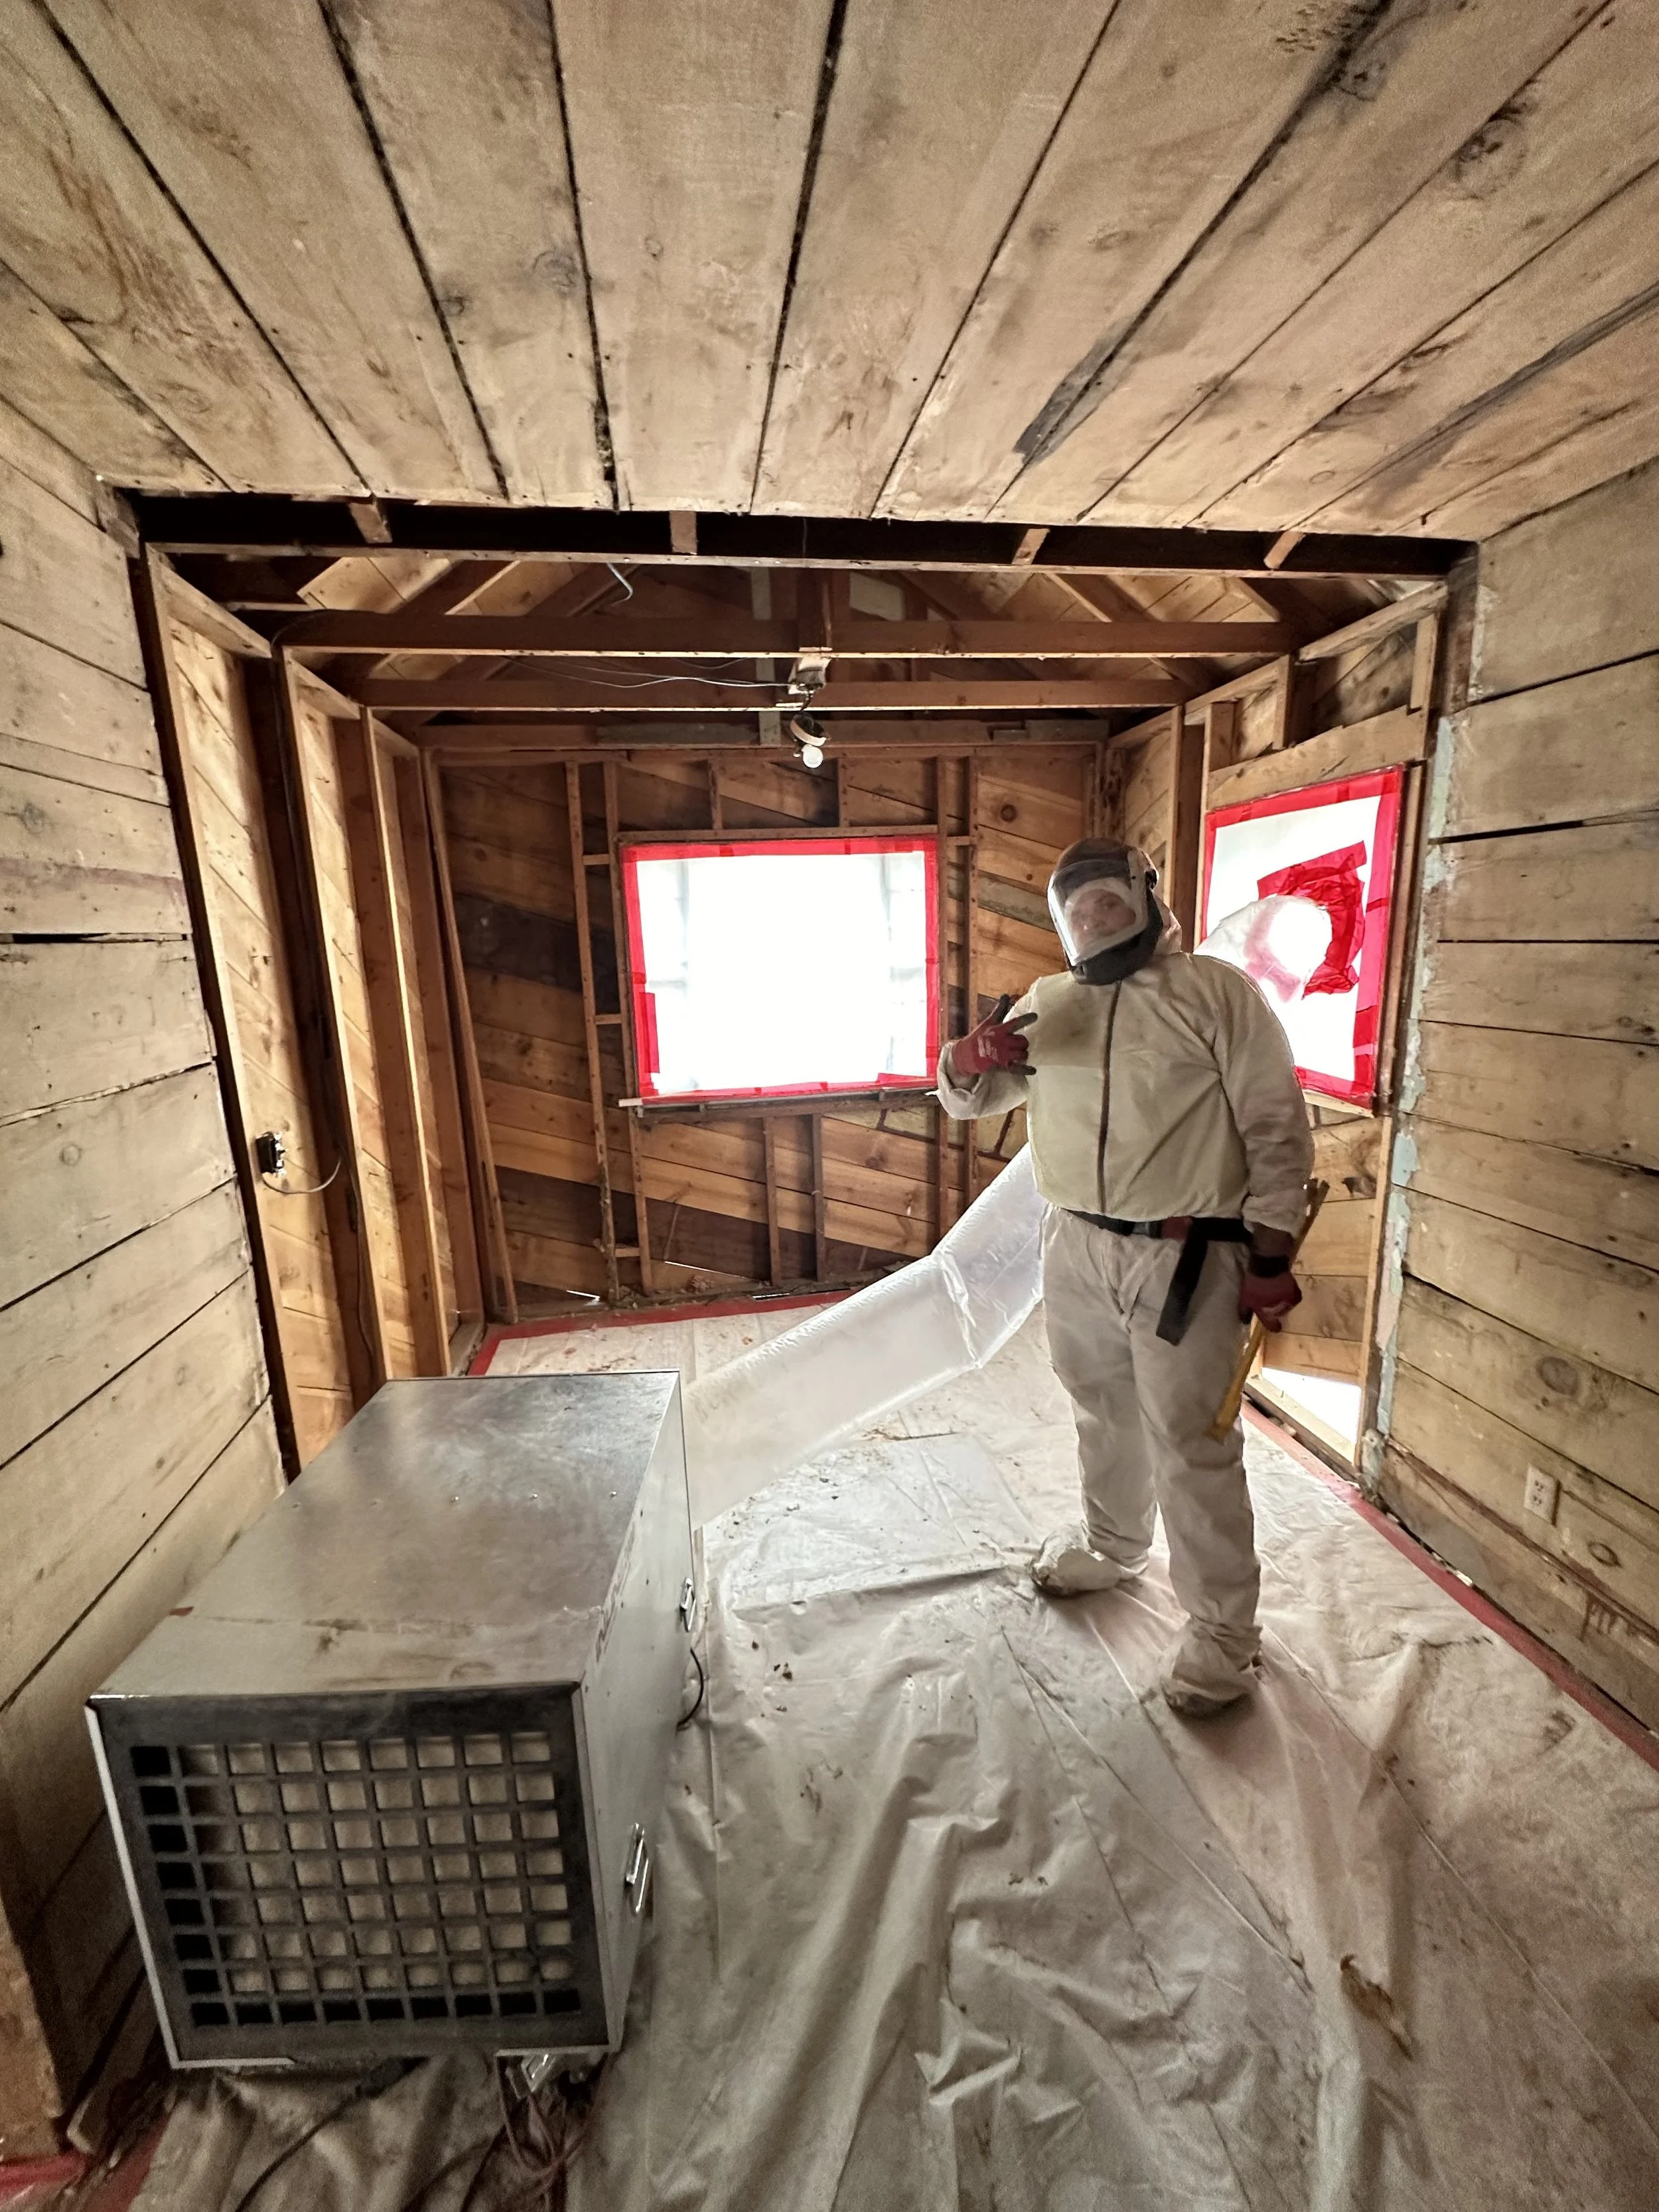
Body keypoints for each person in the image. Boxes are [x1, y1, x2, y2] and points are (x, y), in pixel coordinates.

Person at [936, 838, 1313, 1716]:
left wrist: (1271, 1252)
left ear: (1146, 898)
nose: (1098, 921)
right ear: (1063, 923)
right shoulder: (1051, 1003)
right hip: (1074, 1241)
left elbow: (1274, 1126)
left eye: (1111, 902)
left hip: (1187, 1255)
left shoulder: (1214, 995)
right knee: (1100, 1402)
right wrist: (967, 1057)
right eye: (1081, 911)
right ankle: (1113, 1544)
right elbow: (971, 1100)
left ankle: (1223, 1634)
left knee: (1189, 1439)